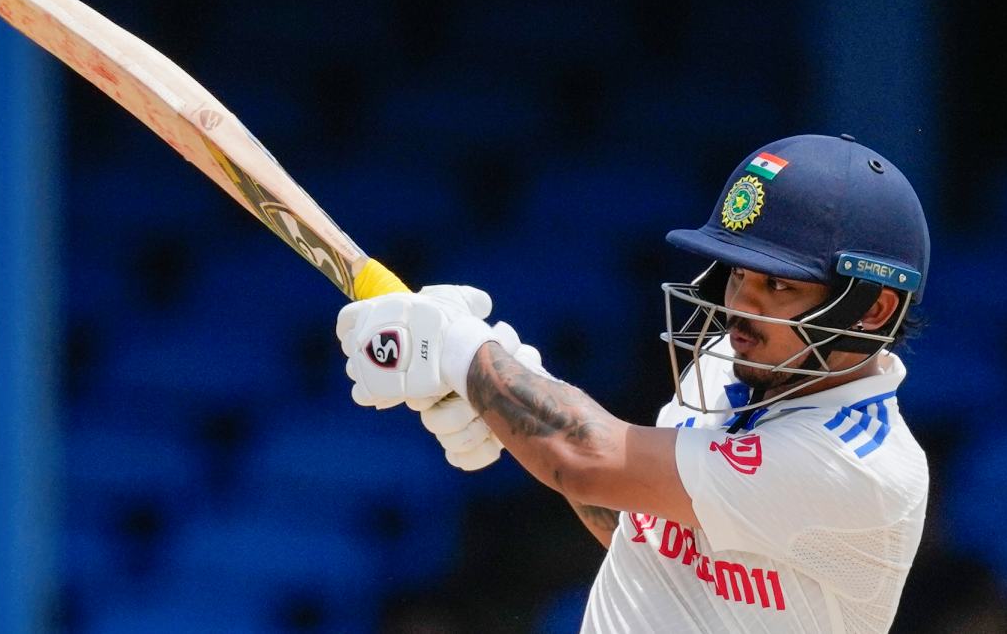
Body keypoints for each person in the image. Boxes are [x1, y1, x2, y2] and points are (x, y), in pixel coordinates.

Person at [336, 134, 931, 633]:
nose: (738, 308)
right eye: (738, 275)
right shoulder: (734, 361)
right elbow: (643, 527)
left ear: (873, 309)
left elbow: (588, 460)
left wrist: (463, 353)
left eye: (778, 286)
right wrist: (508, 400)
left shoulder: (858, 465)